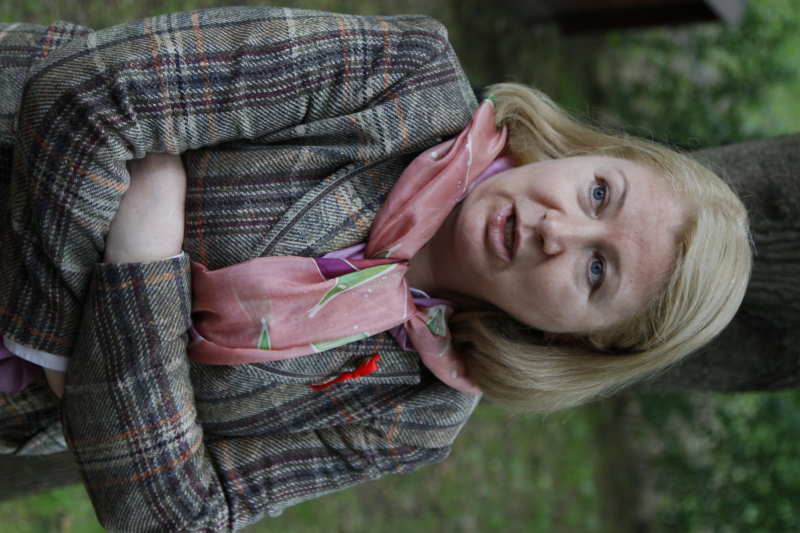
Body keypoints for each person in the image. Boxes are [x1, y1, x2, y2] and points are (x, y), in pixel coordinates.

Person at [0, 7, 750, 532]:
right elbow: (86, 100)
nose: (559, 229)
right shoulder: (407, 79)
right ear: (591, 153)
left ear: (580, 342)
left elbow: (173, 518)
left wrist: (142, 255)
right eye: (599, 194)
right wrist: (107, 407)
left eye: (596, 271)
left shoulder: (418, 416)